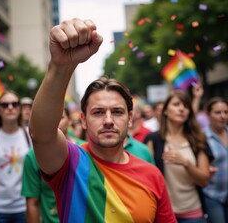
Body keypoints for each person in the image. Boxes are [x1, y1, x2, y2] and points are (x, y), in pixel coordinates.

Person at [29, 18, 176, 223]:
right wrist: (60, 66)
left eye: (117, 112)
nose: (108, 120)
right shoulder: (70, 161)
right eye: (98, 112)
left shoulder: (152, 175)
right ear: (83, 120)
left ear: (130, 118)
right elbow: (40, 133)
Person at [146, 90, 211, 223]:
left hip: (193, 213)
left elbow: (204, 180)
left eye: (186, 106)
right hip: (163, 214)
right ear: (165, 111)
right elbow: (145, 177)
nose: (182, 109)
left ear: (189, 113)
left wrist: (185, 162)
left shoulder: (198, 140)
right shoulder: (153, 139)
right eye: (176, 104)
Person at [21, 107, 72, 223]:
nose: (55, 122)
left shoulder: (84, 150)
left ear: (69, 120)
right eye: (50, 119)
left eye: (61, 118)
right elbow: (32, 203)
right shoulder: (32, 157)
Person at [0, 91, 31, 223]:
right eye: (5, 105)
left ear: (19, 109)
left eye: (15, 104)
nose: (10, 107)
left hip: (24, 207)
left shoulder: (30, 135)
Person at [202, 97, 228, 223]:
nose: (223, 116)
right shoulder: (202, 138)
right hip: (213, 195)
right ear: (208, 114)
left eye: (226, 112)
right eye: (218, 112)